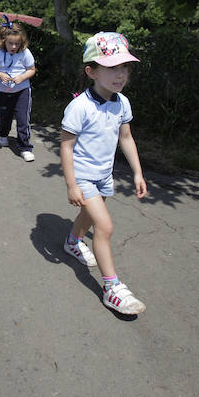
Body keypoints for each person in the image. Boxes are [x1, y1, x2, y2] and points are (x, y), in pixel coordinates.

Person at [61, 32, 148, 315]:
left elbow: (126, 138)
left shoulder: (122, 103)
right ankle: (112, 288)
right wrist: (72, 184)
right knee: (105, 226)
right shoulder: (79, 107)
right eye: (111, 68)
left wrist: (137, 172)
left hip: (104, 175)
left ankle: (72, 241)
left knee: (89, 216)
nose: (120, 74)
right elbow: (66, 146)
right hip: (84, 176)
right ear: (91, 71)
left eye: (124, 67)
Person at [0, 23, 37, 162]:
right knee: (5, 117)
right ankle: (3, 134)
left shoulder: (25, 52)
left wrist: (22, 77)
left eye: (17, 43)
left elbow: (32, 69)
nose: (14, 47)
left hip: (22, 91)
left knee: (23, 119)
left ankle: (25, 147)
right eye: (11, 43)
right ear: (4, 41)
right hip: (4, 92)